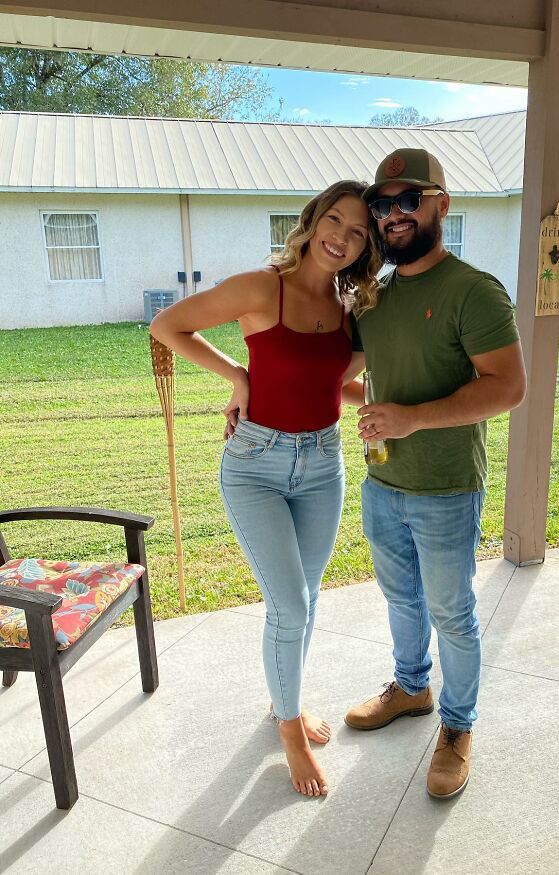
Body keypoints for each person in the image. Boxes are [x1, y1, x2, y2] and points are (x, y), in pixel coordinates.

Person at [150, 180, 382, 798]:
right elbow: (169, 324)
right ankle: (289, 732)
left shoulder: (347, 306)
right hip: (255, 465)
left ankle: (289, 700)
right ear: (313, 221)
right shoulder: (261, 288)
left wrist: (391, 408)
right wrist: (239, 377)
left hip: (323, 464)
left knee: (303, 595)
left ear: (365, 245)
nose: (343, 237)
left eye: (358, 231)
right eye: (336, 220)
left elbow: (327, 385)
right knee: (292, 605)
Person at [345, 148, 527, 799]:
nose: (392, 213)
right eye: (381, 202)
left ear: (440, 204)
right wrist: (254, 389)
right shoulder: (371, 298)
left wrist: (412, 419)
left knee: (452, 612)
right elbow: (345, 380)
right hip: (382, 485)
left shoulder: (473, 291)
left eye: (407, 199)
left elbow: (508, 386)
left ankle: (457, 726)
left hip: (447, 488)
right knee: (401, 601)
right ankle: (412, 686)